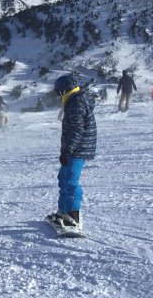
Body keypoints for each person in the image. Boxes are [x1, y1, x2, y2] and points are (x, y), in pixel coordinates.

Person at [46, 75, 97, 231]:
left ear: (63, 90)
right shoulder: (74, 99)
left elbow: (77, 130)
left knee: (70, 181)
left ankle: (74, 217)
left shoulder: (77, 103)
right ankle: (63, 212)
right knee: (63, 178)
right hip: (75, 148)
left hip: (78, 149)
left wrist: (68, 150)